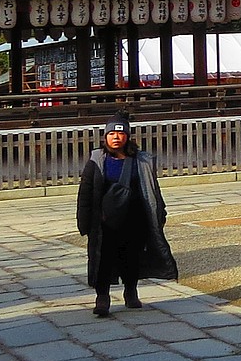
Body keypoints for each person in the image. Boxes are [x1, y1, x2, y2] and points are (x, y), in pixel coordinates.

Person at [76, 114, 178, 317]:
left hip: (135, 218)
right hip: (105, 221)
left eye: (120, 133)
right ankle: (102, 297)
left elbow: (152, 190)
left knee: (131, 257)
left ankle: (131, 292)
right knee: (102, 259)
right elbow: (85, 193)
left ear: (128, 136)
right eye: (112, 133)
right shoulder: (97, 160)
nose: (116, 137)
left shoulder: (141, 161)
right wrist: (84, 221)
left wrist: (160, 213)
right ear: (105, 137)